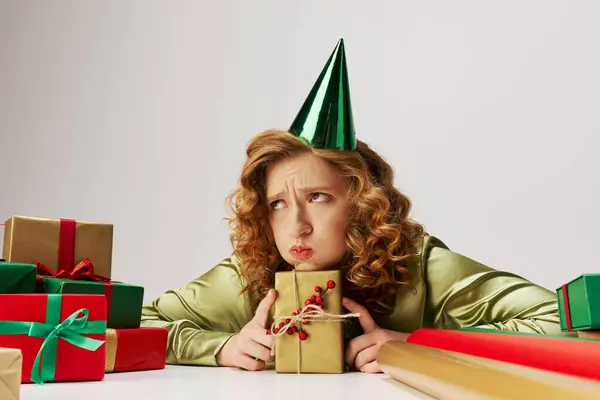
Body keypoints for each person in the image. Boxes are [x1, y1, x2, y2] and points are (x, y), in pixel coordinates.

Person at [140, 38, 564, 374]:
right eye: (278, 204)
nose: (297, 227)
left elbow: (565, 325)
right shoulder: (252, 273)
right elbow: (117, 325)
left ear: (362, 204)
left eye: (317, 197)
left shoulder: (419, 265)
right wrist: (221, 347)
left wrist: (420, 346)